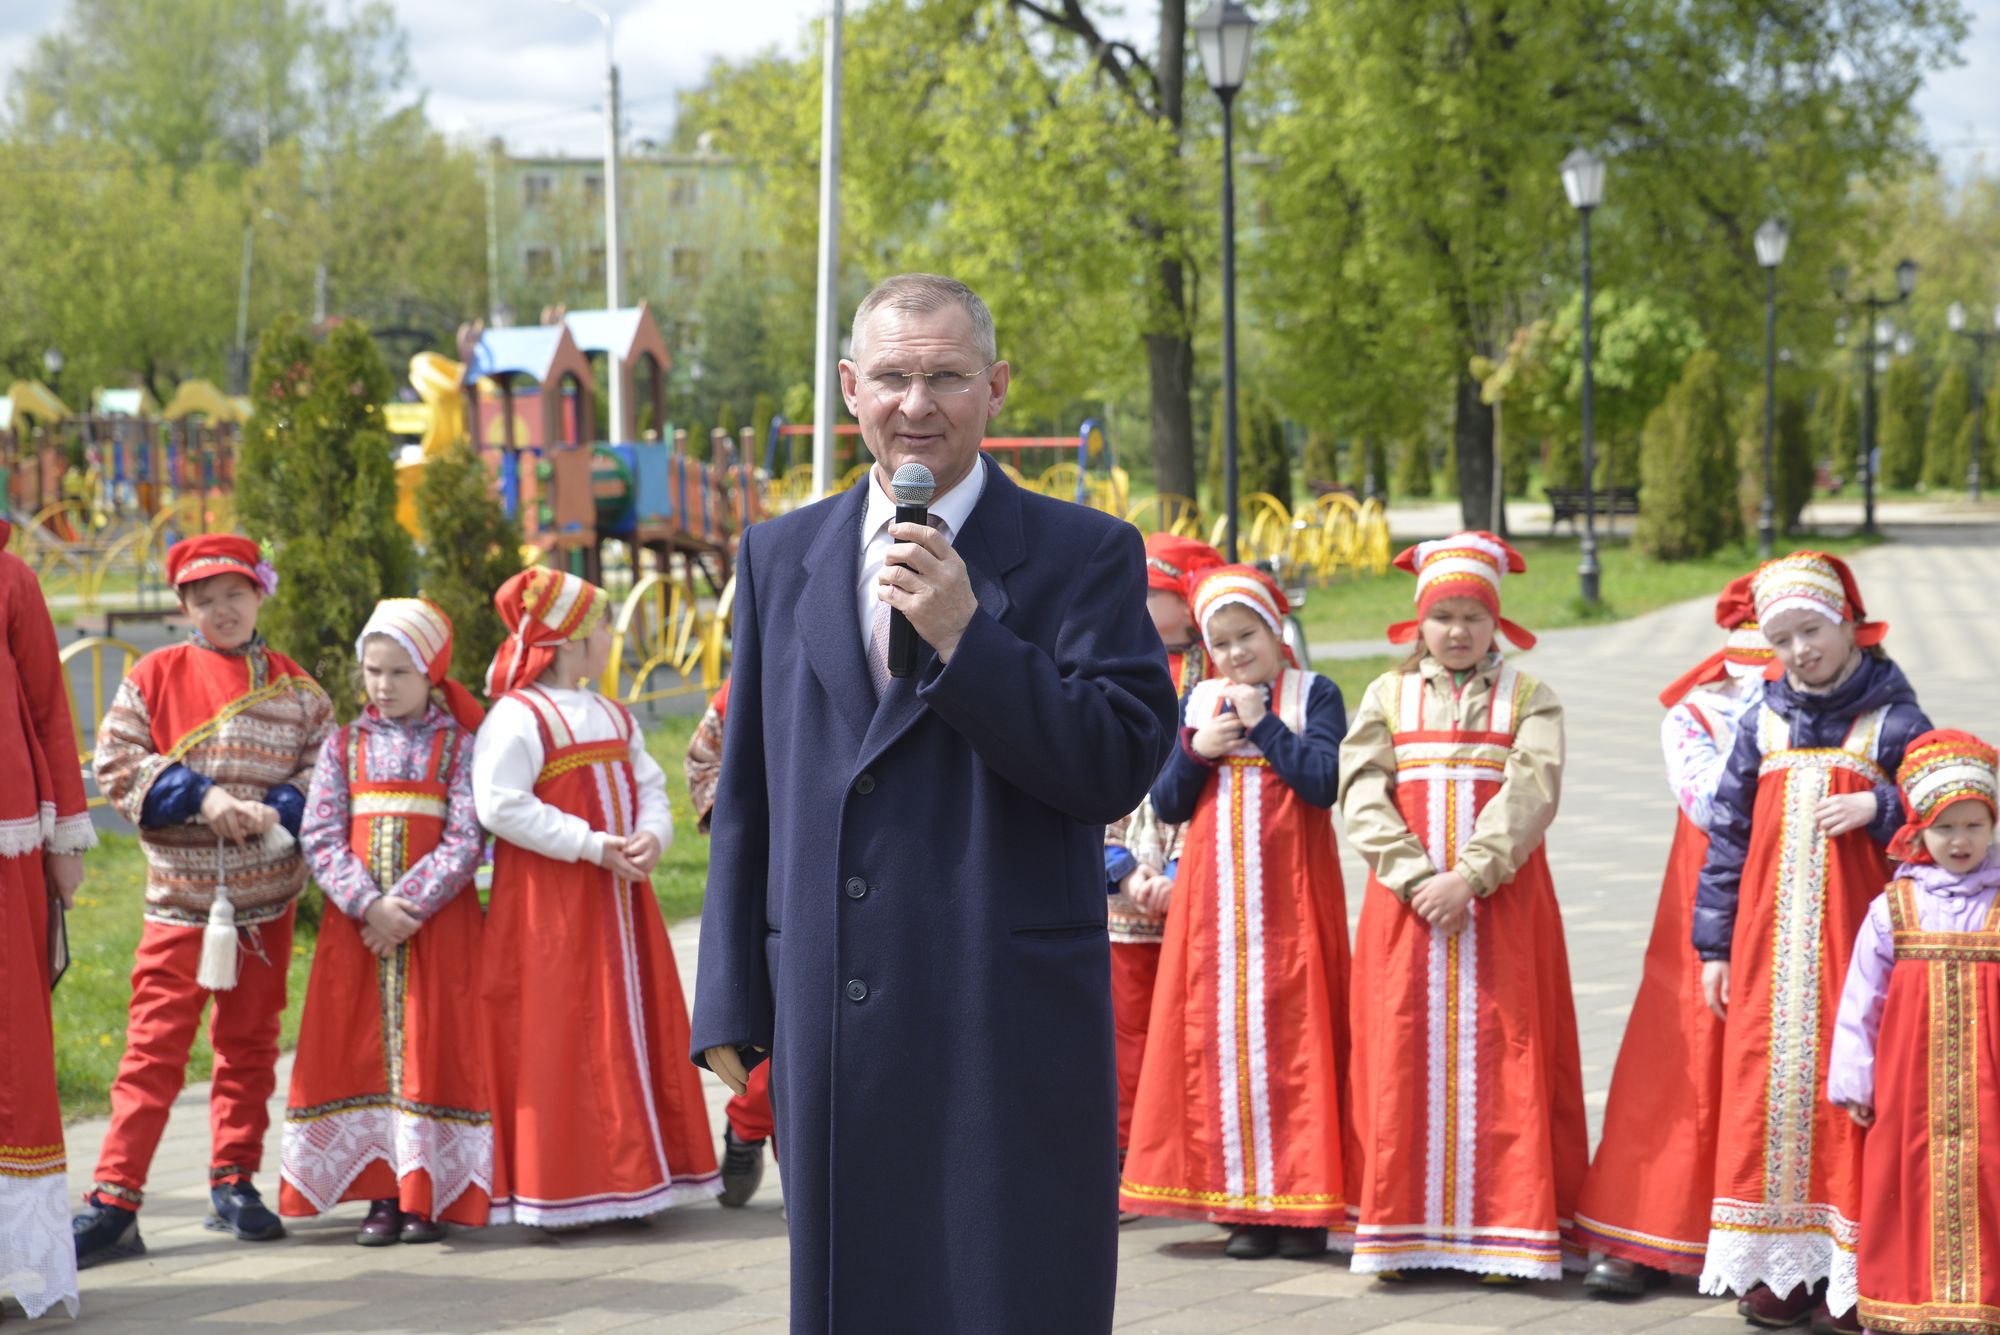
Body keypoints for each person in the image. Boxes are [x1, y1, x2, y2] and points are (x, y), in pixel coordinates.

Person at [692, 273, 1178, 1334]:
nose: (917, 404)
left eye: (947, 377)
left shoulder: (1084, 553)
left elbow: (1115, 763)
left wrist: (968, 639)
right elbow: (750, 786)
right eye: (892, 378)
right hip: (835, 1010)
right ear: (849, 389)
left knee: (1009, 1292)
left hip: (998, 1007)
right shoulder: (780, 553)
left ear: (995, 387)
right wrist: (729, 992)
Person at [1337, 531, 1589, 1282]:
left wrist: (1470, 877)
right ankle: (1399, 1229)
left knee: (1506, 1050)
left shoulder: (1530, 697)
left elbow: (1532, 791)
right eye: (1442, 616)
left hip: (1501, 905)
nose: (1457, 631)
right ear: (1418, 621)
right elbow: (1361, 792)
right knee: (1401, 1051)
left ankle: (1505, 1230)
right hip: (1406, 908)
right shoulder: (1386, 695)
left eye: (1474, 616)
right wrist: (1417, 878)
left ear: (1496, 621)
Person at [79, 534, 333, 1264]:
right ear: (184, 606)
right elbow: (117, 761)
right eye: (205, 598)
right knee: (153, 1049)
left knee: (250, 1042)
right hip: (181, 901)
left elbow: (324, 771)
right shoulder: (153, 675)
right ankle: (115, 1199)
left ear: (260, 594)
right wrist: (204, 797)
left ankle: (234, 1180)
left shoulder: (299, 690)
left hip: (265, 900)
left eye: (235, 594)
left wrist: (277, 809)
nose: (223, 610)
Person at [1693, 550, 1930, 1333]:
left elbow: (1950, 814)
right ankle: (1786, 1267)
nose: (1800, 650)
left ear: (1851, 624)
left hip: (1859, 951)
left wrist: (1882, 805)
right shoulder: (1760, 720)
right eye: (1782, 637)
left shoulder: (1895, 720)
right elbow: (1727, 836)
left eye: (1812, 630)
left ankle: (1859, 1273)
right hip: (1769, 950)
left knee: (1856, 1090)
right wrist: (1714, 946)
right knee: (1778, 1091)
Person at [1119, 564, 1351, 1260]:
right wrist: (1198, 750)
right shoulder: (1199, 700)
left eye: (1247, 635)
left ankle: (1303, 1209)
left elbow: (1322, 783)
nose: (1235, 652)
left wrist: (1264, 726)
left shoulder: (1315, 693)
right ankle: (1244, 1206)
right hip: (1215, 910)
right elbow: (1167, 803)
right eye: (1220, 643)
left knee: (1298, 1044)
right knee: (1225, 1048)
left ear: (1277, 631)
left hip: (1294, 902)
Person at [474, 566, 719, 1226]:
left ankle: (637, 1177)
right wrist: (589, 843)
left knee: (628, 1025)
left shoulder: (611, 713)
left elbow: (649, 785)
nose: (612, 639)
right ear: (572, 639)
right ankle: (564, 1185)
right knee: (560, 1029)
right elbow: (499, 804)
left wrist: (652, 835)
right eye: (605, 627)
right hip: (551, 906)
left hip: (620, 904)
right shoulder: (519, 716)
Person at [1578, 575, 1769, 1294]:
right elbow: (1711, 802)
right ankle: (1648, 1225)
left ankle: (1782, 1245)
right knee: (1679, 1046)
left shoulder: (1855, 710)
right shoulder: (1697, 714)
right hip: (1708, 893)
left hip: (1804, 891)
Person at [280, 599, 492, 1244]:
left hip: (437, 931)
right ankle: (382, 1191)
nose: (383, 685)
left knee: (433, 1044)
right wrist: (369, 905)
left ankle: (428, 1192)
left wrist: (406, 908)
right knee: (363, 1050)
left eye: (400, 672)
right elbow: (320, 834)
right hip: (359, 935)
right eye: (373, 670)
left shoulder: (459, 748)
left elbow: (467, 837)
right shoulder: (344, 746)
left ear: (431, 673)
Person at [1829, 729, 2000, 1335]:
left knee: (1990, 1180)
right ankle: (1911, 1302)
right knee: (1909, 1183)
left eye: (1974, 825)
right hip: (1911, 1086)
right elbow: (1862, 999)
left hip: (1991, 1085)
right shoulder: (1893, 907)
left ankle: (1984, 1302)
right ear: (1918, 832)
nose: (1960, 840)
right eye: (1944, 827)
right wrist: (1856, 1078)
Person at [1104, 534, 1221, 1169]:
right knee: (1124, 1029)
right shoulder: (1110, 655)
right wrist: (1120, 868)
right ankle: (1127, 1152)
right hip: (1123, 885)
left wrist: (1181, 870)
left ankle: (1192, 1154)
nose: (1136, 600)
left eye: (1151, 591)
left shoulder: (1221, 677)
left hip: (1195, 879)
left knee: (1193, 1023)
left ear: (1185, 600)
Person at [0, 517, 93, 1318]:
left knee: (8, 1046)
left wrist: (66, 838)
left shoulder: (11, 578)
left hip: (6, 852)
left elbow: (47, 709)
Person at [684, 678, 775, 1208]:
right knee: (767, 1031)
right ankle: (746, 1127)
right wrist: (743, 818)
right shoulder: (744, 683)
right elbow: (701, 760)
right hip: (769, 878)